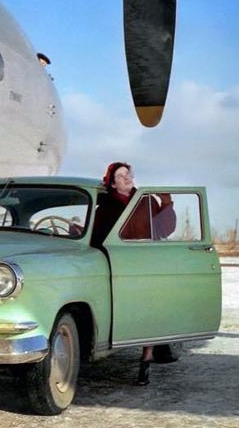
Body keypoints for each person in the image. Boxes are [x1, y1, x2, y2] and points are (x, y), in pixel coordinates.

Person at [91, 161, 156, 385]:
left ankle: (146, 359)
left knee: (149, 307)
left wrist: (167, 203)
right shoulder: (106, 207)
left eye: (128, 174)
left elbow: (164, 227)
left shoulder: (145, 200)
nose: (127, 178)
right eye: (121, 176)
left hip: (144, 261)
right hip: (118, 263)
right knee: (125, 308)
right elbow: (97, 237)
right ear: (112, 182)